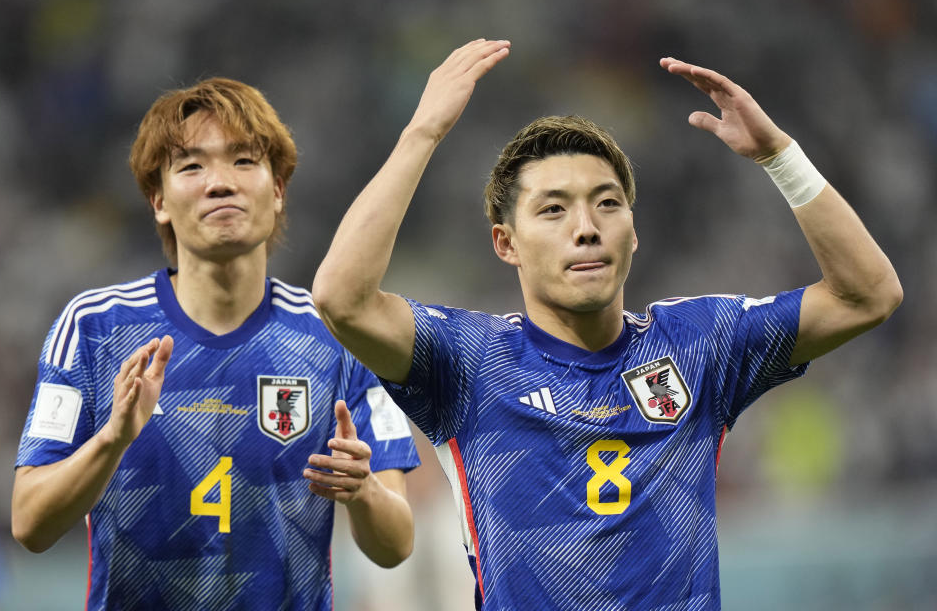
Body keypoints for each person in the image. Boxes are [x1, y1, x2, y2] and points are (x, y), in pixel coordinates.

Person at [312, 39, 902, 609]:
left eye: (607, 202)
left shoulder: (699, 346)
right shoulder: (467, 363)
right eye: (553, 209)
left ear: (634, 232)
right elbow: (342, 298)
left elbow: (867, 295)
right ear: (505, 243)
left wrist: (780, 157)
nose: (587, 227)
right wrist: (424, 132)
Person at [12, 77, 420, 610]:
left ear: (277, 190)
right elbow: (29, 524)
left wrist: (363, 490)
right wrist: (112, 438)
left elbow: (396, 546)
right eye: (192, 166)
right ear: (158, 200)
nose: (220, 183)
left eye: (244, 161)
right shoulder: (95, 327)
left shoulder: (338, 335)